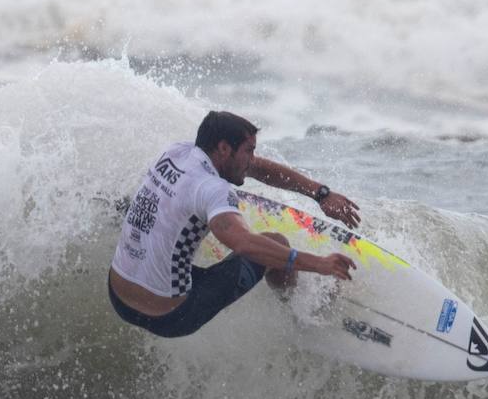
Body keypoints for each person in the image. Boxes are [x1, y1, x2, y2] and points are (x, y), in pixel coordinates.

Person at [108, 110, 359, 338]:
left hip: (118, 295)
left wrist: (320, 193)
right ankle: (305, 314)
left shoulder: (175, 153)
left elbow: (260, 170)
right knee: (274, 244)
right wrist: (319, 264)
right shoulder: (213, 189)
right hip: (170, 315)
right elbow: (244, 244)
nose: (252, 159)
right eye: (249, 151)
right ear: (224, 148)